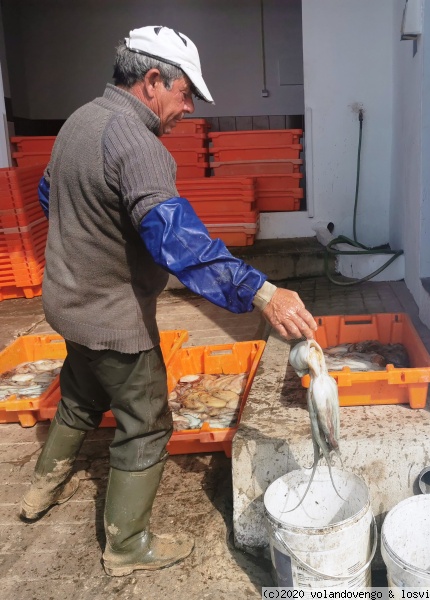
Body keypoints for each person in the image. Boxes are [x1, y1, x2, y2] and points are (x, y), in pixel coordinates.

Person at [20, 26, 317, 577]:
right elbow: (178, 241)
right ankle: (127, 547)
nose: (188, 110)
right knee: (148, 423)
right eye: (185, 95)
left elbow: (51, 195)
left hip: (67, 302)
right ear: (153, 80)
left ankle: (38, 493)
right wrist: (262, 291)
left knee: (80, 398)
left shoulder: (79, 121)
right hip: (113, 319)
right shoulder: (138, 146)